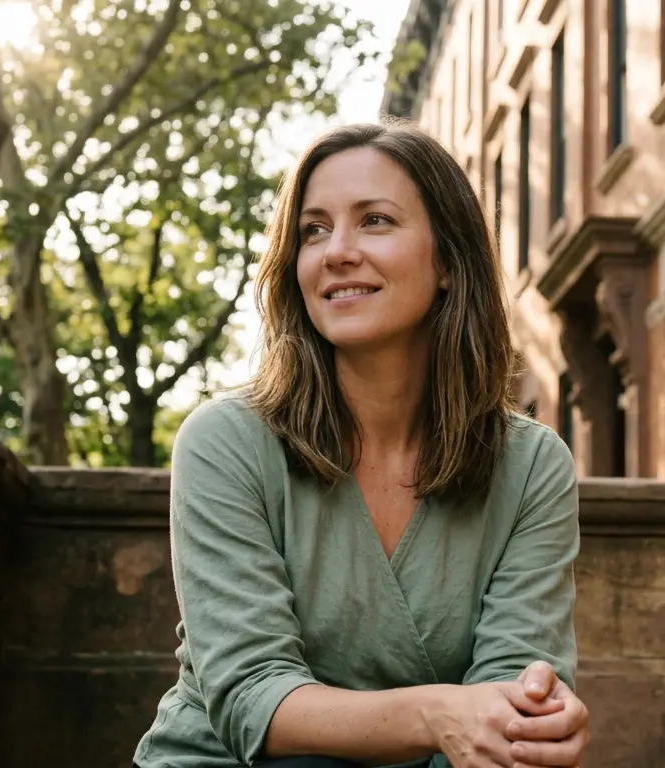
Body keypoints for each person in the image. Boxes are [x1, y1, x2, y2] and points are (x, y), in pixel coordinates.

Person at [131, 122, 588, 768]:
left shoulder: (533, 466)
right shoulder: (224, 443)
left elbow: (511, 692)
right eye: (314, 230)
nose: (336, 252)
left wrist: (532, 720)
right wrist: (439, 715)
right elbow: (252, 697)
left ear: (450, 263)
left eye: (374, 221)